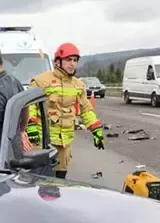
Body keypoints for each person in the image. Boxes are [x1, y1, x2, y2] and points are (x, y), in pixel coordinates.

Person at [25, 42, 105, 179]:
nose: (72, 64)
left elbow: (86, 110)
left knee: (60, 180)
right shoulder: (41, 81)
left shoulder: (79, 85)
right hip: (43, 141)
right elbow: (30, 105)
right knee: (40, 180)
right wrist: (30, 124)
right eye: (68, 60)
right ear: (58, 62)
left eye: (75, 60)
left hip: (64, 142)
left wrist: (96, 130)